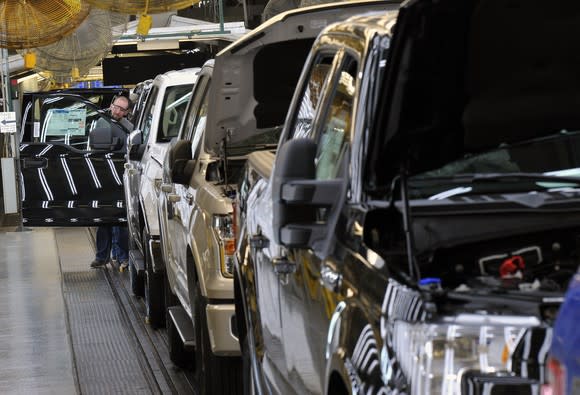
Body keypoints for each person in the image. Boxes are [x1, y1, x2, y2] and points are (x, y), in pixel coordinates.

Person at [91, 95, 133, 269]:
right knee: (103, 220)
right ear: (111, 105)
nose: (117, 111)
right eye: (116, 107)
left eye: (122, 109)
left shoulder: (129, 127)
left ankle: (121, 255)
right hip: (103, 176)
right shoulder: (101, 123)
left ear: (127, 112)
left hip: (123, 177)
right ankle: (103, 256)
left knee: (120, 221)